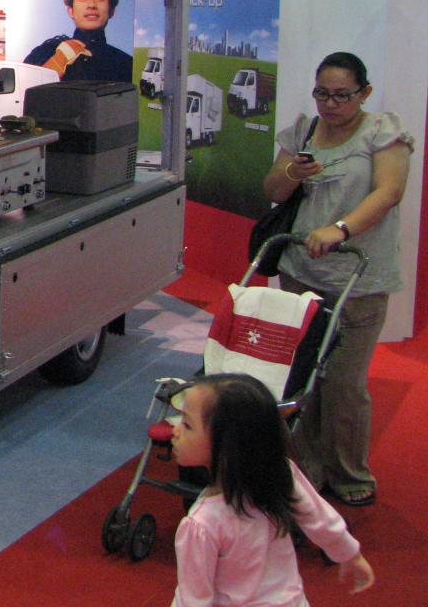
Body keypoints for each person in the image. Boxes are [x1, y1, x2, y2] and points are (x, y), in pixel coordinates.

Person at [262, 51, 412, 508]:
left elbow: (389, 192)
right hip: (299, 272)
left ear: (364, 93)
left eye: (342, 95)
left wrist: (340, 230)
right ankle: (308, 469)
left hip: (358, 277)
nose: (331, 104)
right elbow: (272, 190)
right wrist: (292, 172)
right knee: (303, 377)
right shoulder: (305, 130)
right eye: (322, 93)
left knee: (344, 384)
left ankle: (349, 472)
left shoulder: (383, 133)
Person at [169, 373, 374, 607]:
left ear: (227, 444)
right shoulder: (279, 474)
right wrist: (349, 553)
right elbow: (319, 517)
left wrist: (348, 552)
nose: (175, 430)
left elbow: (192, 599)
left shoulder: (200, 524)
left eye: (187, 425)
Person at [23, 0, 133, 82]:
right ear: (70, 11)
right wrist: (54, 66)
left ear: (112, 11)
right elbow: (21, 95)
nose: (91, 5)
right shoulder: (44, 53)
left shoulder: (125, 64)